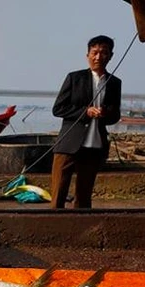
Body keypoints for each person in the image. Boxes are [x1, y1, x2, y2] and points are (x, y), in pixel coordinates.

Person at [50, 35, 122, 209]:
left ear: (110, 56)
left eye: (104, 53)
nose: (98, 57)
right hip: (69, 143)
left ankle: (81, 228)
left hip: (95, 144)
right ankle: (53, 224)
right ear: (88, 55)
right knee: (59, 191)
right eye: (95, 52)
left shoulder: (114, 83)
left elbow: (115, 116)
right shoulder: (75, 78)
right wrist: (85, 112)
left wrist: (105, 113)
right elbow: (58, 109)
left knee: (84, 195)